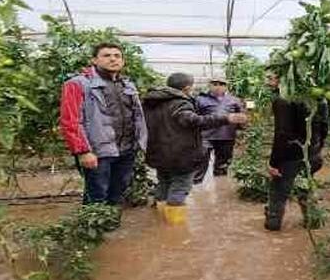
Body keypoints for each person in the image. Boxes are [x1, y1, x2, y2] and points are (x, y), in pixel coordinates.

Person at [143, 73, 248, 224]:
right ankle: (174, 229)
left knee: (164, 183)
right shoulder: (181, 102)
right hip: (179, 153)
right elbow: (193, 120)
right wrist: (226, 118)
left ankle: (160, 222)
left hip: (159, 152)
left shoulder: (152, 101)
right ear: (187, 88)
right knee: (180, 186)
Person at [59, 42, 147, 206]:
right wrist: (83, 151)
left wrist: (140, 144)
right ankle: (92, 227)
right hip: (98, 152)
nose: (113, 59)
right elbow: (70, 120)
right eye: (106, 55)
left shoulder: (127, 86)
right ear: (94, 60)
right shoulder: (78, 84)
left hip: (126, 150)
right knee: (97, 196)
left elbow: (137, 117)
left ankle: (111, 224)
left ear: (123, 61)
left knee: (117, 193)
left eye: (117, 56)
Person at [265, 71, 329, 231]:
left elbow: (282, 133)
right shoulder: (319, 98)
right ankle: (313, 222)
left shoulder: (282, 99)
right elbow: (325, 127)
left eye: (271, 77)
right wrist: (317, 149)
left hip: (290, 156)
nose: (268, 81)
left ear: (283, 78)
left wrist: (273, 163)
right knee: (305, 187)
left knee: (278, 192)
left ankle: (273, 225)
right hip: (312, 153)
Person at [193, 78, 245, 184]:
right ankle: (196, 187)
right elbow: (194, 118)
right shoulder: (200, 99)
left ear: (226, 86)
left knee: (222, 165)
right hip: (205, 136)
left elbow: (241, 116)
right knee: (200, 163)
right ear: (209, 85)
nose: (218, 86)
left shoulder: (234, 100)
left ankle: (220, 186)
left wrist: (241, 130)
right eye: (215, 84)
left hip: (226, 136)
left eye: (221, 84)